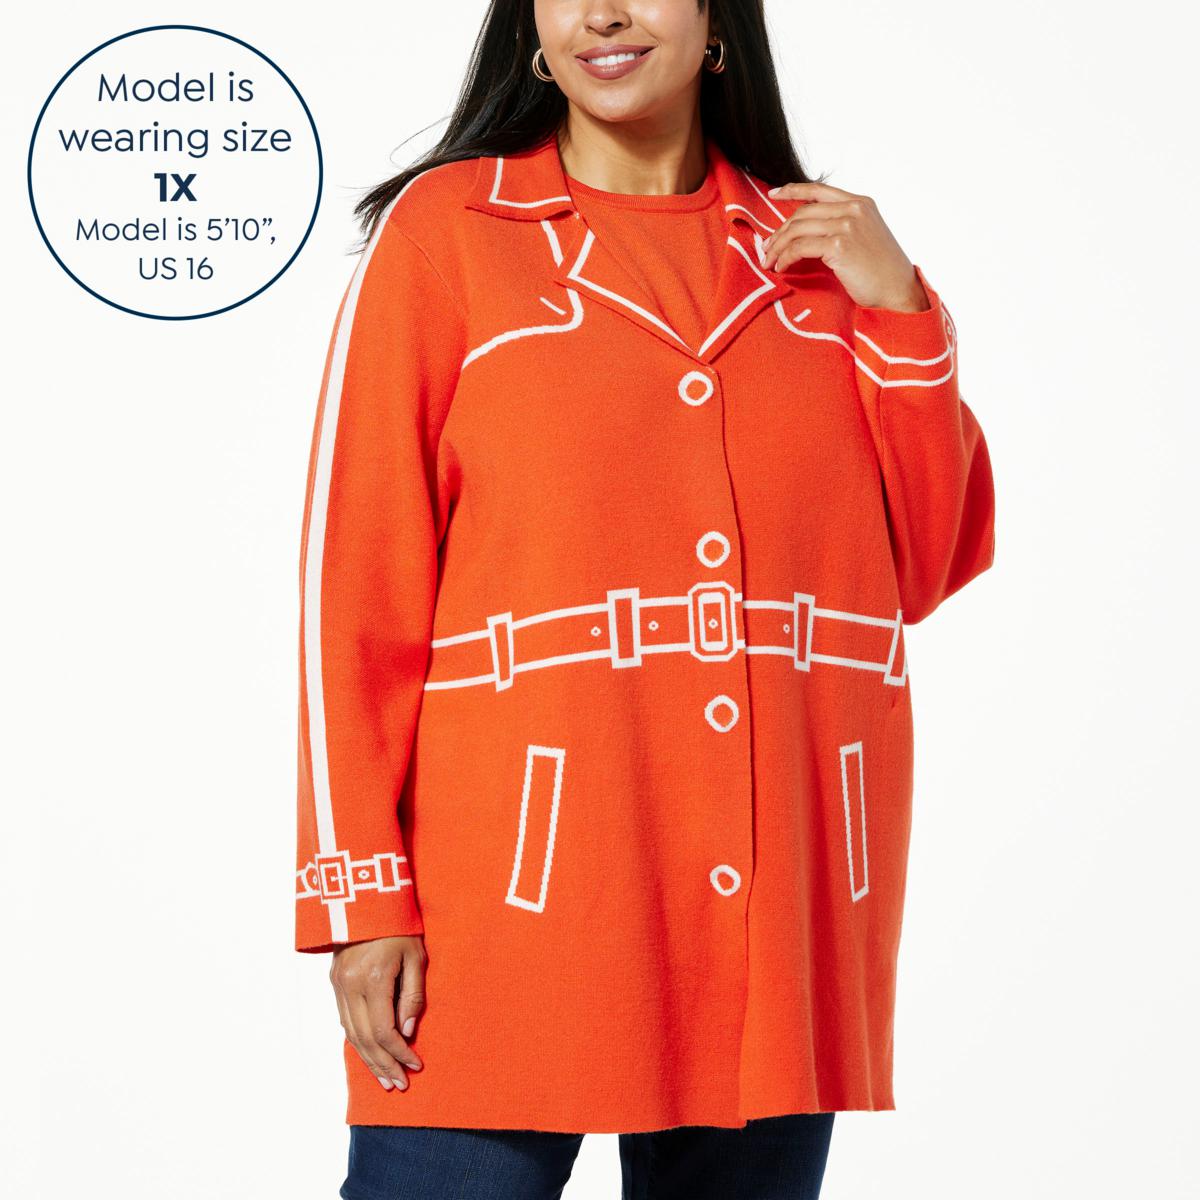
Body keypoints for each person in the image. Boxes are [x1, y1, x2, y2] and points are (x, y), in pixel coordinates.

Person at [294, 1, 996, 1196]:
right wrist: (362, 897)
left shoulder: (821, 262)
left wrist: (898, 312)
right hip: (506, 902)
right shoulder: (449, 235)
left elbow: (926, 562)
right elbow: (352, 586)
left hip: (775, 909)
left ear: (717, 14)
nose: (603, 12)